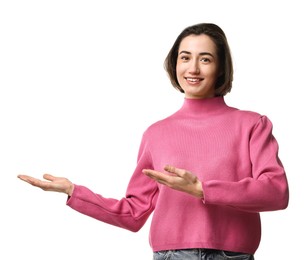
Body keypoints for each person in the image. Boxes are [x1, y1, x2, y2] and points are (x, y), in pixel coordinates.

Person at [18, 23, 289, 260]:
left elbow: (276, 192)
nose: (193, 68)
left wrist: (203, 189)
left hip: (234, 256)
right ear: (175, 63)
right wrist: (73, 191)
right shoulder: (156, 133)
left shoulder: (252, 124)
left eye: (205, 59)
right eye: (185, 57)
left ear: (220, 68)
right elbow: (134, 214)